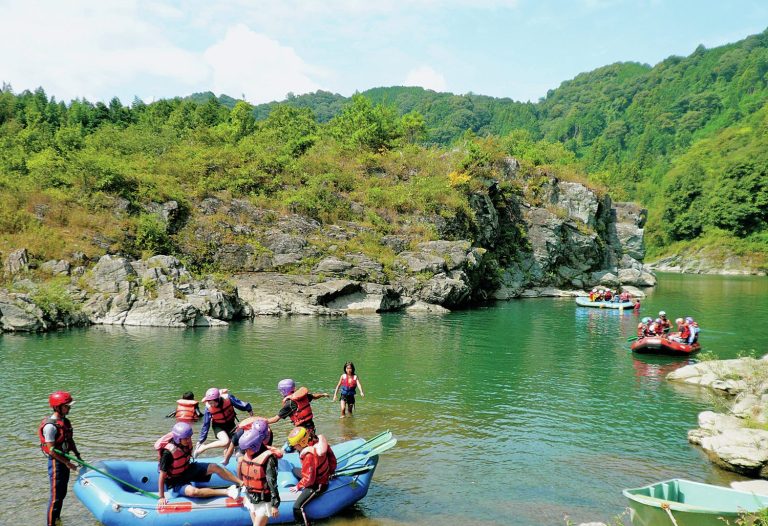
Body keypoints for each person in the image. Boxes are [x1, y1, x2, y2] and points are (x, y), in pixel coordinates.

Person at [156, 422, 242, 507]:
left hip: (187, 470)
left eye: (189, 437)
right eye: (186, 438)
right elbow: (162, 476)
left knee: (214, 467)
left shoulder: (185, 443)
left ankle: (241, 483)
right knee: (193, 492)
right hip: (174, 481)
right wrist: (161, 497)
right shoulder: (167, 453)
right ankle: (227, 492)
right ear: (178, 439)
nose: (189, 440)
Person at [39, 391, 82, 526]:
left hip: (65, 460)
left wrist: (78, 456)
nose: (69, 408)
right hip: (56, 463)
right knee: (55, 498)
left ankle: (57, 520)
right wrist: (67, 463)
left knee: (62, 494)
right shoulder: (50, 427)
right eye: (66, 406)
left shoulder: (65, 421)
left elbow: (70, 441)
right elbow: (52, 450)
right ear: (57, 407)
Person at [287, 427, 337, 526]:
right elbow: (332, 458)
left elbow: (309, 480)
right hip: (319, 475)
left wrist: (298, 486)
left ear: (301, 443)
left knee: (297, 507)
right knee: (294, 470)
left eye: (296, 446)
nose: (295, 448)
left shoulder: (308, 456)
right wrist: (331, 471)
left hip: (318, 484)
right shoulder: (317, 443)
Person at [237, 424, 281, 526]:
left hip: (264, 500)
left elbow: (272, 482)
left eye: (247, 449)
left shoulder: (269, 459)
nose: (245, 451)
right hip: (251, 497)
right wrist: (246, 493)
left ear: (254, 445)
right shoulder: (249, 454)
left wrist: (275, 505)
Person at [194, 387, 253, 458]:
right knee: (225, 441)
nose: (212, 405)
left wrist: (249, 409)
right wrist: (201, 440)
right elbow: (206, 425)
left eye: (213, 403)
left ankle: (226, 461)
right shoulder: (208, 408)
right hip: (218, 426)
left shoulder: (228, 399)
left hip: (231, 424)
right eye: (210, 403)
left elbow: (239, 404)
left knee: (233, 444)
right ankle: (204, 447)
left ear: (218, 399)